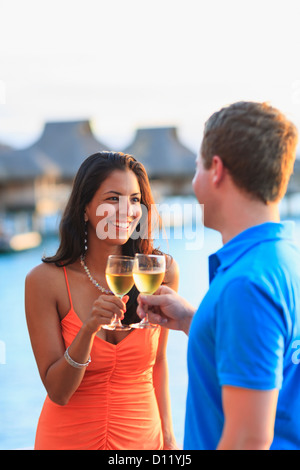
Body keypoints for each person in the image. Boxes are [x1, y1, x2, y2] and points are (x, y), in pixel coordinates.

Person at [137, 101, 300, 450]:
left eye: (197, 166)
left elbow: (247, 439)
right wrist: (193, 321)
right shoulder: (284, 258)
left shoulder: (246, 286)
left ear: (216, 170)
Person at [25, 151, 179, 450]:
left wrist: (170, 440)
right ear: (85, 208)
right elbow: (58, 392)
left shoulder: (161, 271)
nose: (127, 210)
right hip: (68, 439)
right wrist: (87, 330)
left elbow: (158, 363)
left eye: (135, 199)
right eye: (112, 198)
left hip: (143, 441)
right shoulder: (44, 282)